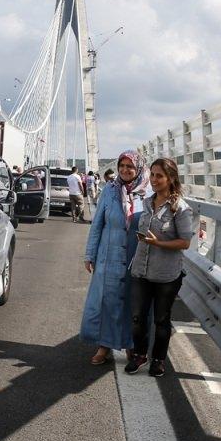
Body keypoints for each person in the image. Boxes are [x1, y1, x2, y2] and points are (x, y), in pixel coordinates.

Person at [125, 158, 195, 377]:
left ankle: (158, 359)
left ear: (170, 179)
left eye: (159, 176)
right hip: (141, 269)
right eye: (152, 175)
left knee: (161, 320)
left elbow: (185, 242)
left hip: (167, 274)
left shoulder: (181, 209)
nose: (154, 180)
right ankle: (139, 354)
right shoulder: (146, 202)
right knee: (137, 317)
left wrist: (159, 243)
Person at [81, 151, 148, 365]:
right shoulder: (109, 191)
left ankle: (130, 345)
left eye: (131, 166)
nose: (126, 170)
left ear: (138, 169)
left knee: (132, 302)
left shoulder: (148, 193)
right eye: (122, 166)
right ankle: (105, 346)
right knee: (107, 301)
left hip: (135, 256)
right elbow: (97, 224)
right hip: (108, 255)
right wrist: (90, 254)